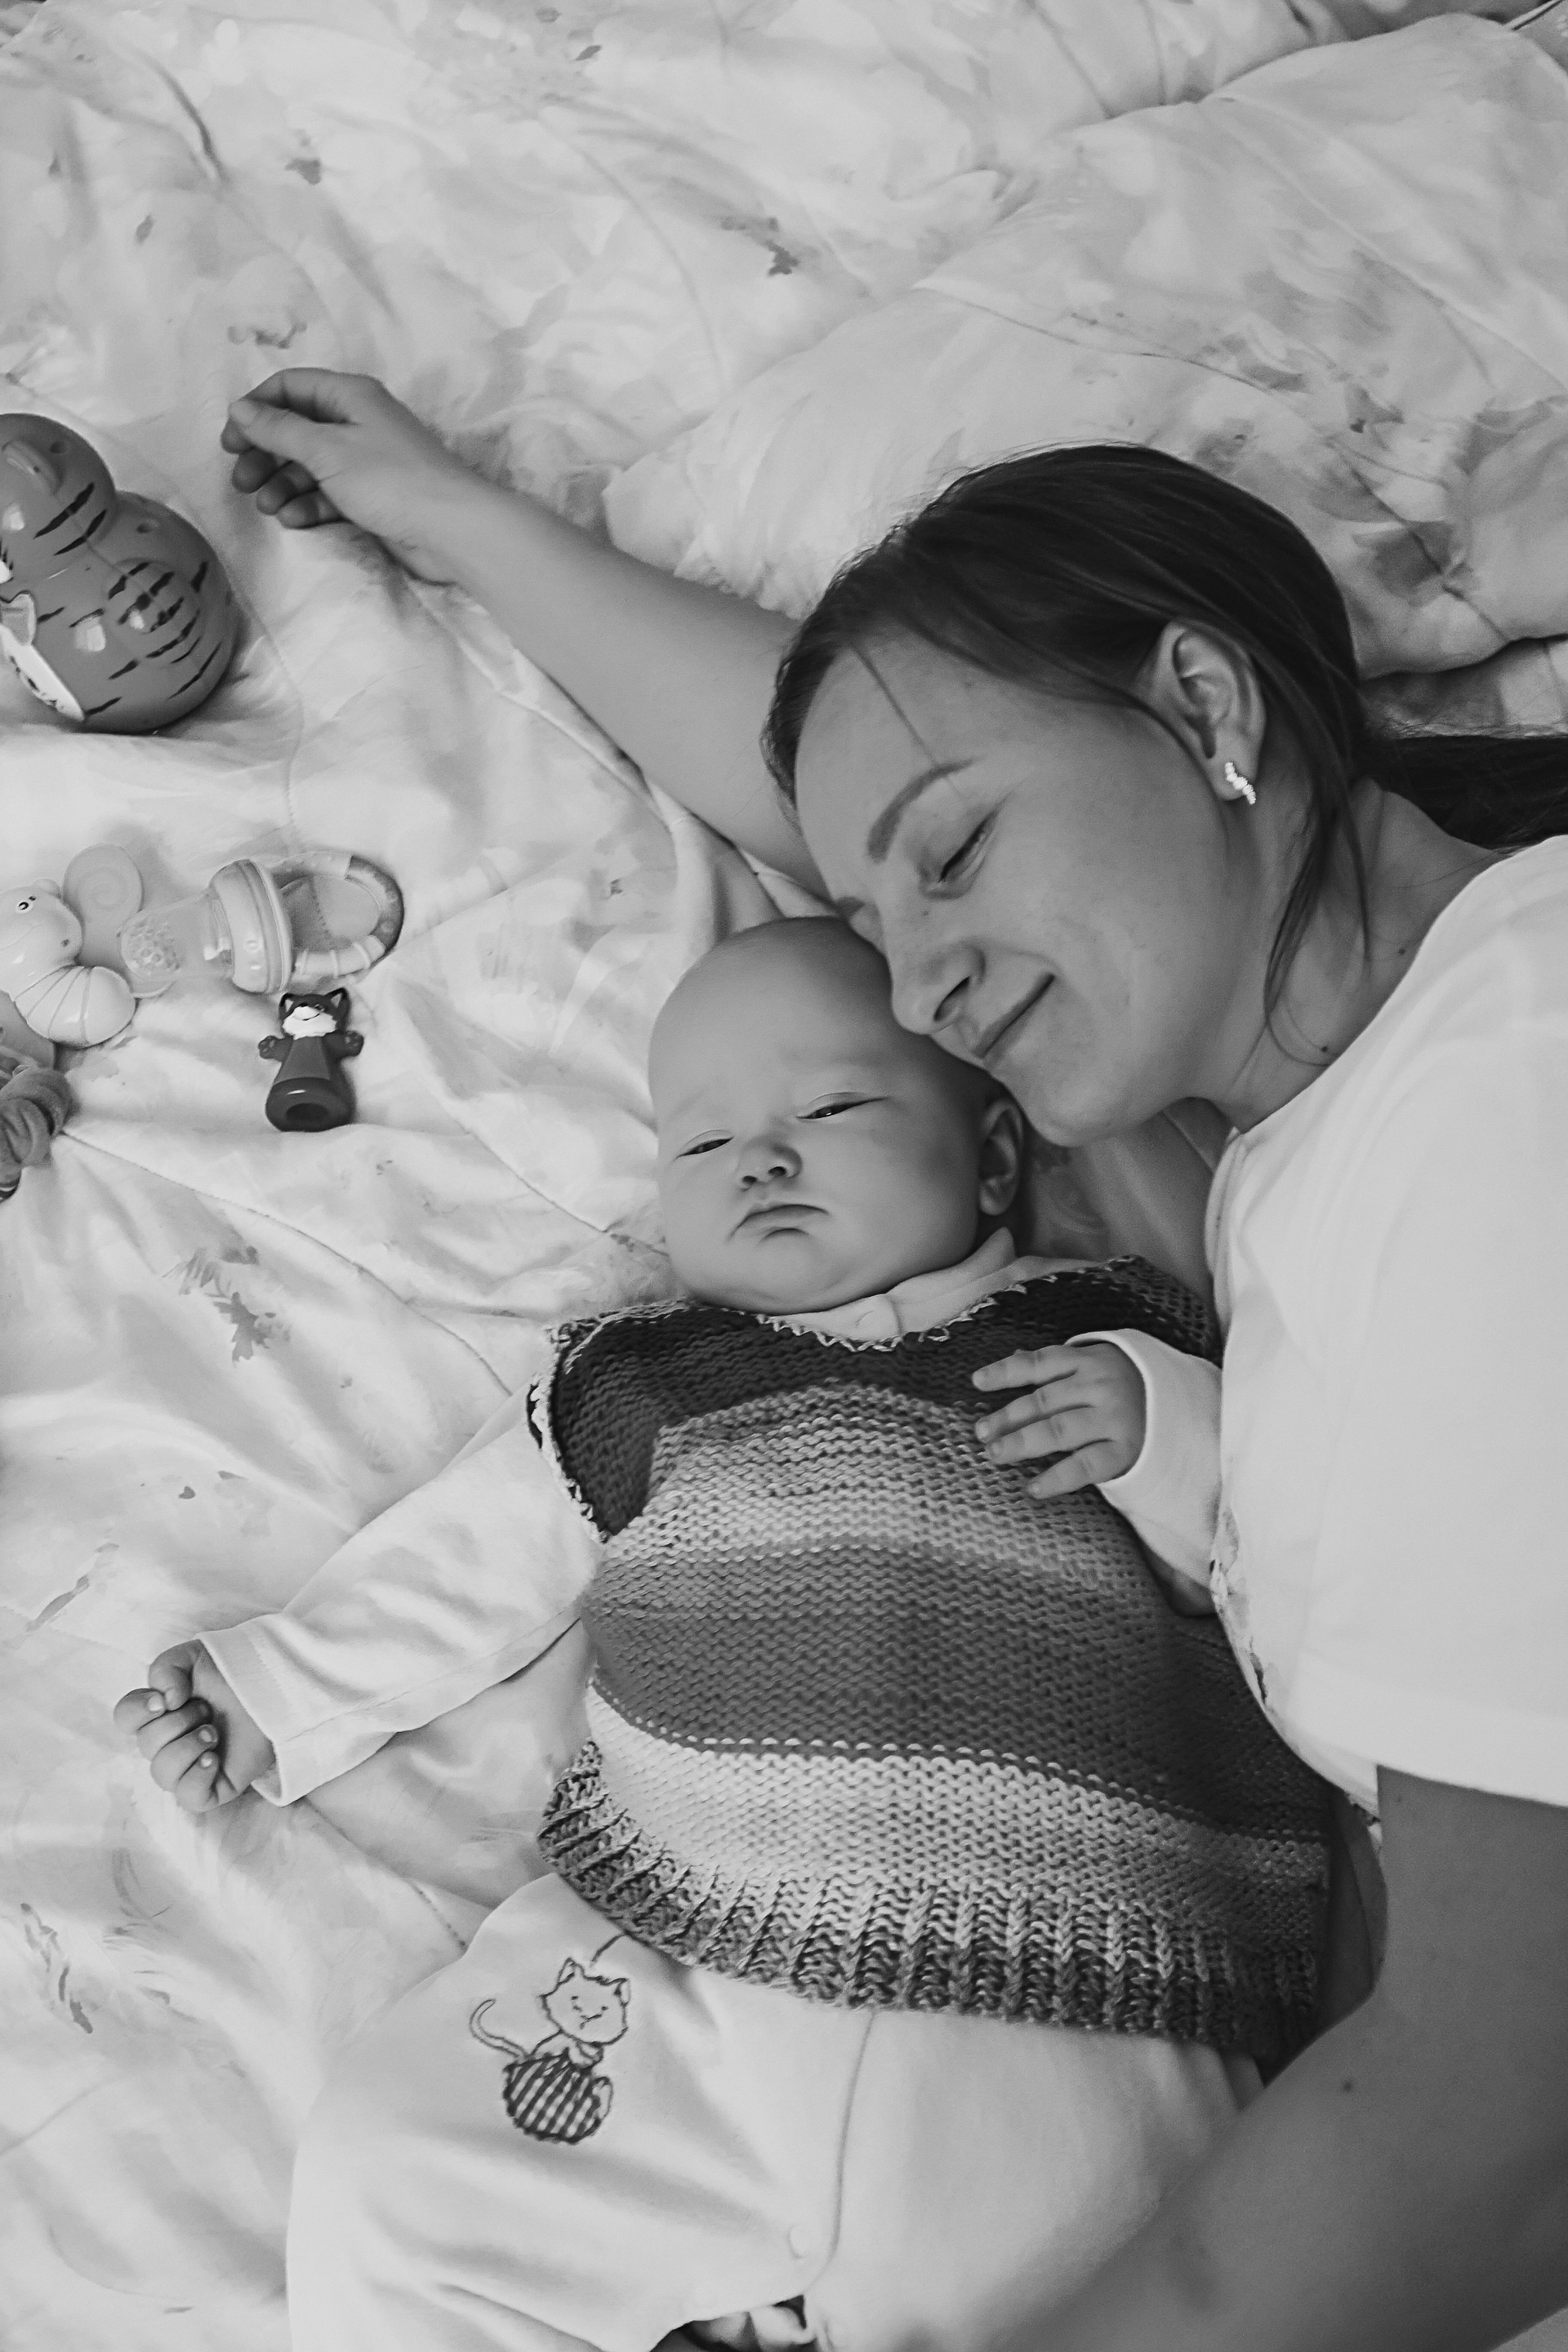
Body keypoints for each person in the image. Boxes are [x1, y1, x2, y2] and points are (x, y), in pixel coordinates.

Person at [201, 341, 1568, 2352]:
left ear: (1209, 708)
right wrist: (462, 523)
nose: (919, 993)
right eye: (875, 918)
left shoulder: (1511, 1101)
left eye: (953, 856)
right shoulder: (1317, 1076)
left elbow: (1507, 2124)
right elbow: (830, 766)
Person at [117, 914, 1327, 2352]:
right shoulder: (642, 1381)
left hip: (1070, 1985)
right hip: (691, 1958)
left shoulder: (1094, 1343)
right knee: (392, 2188)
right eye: (702, 1142)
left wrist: (1161, 1430)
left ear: (996, 1157)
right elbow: (470, 1560)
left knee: (1116, 2283)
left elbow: (1272, 1564)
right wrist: (278, 1688)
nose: (762, 1160)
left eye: (833, 1107)